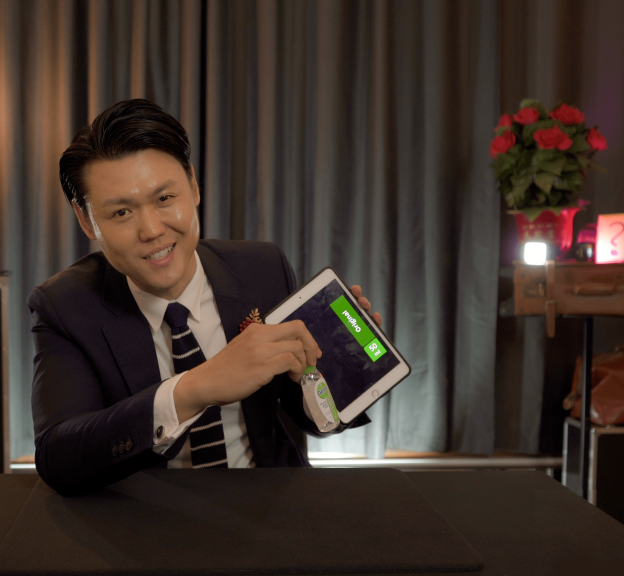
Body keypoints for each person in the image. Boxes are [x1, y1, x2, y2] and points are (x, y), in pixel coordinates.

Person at [29, 99, 381, 495]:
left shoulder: (263, 267)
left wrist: (341, 370)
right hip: (145, 519)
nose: (152, 230)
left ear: (193, 186)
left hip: (272, 503)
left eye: (164, 199)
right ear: (85, 219)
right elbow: (59, 456)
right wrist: (195, 388)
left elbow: (317, 420)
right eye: (122, 213)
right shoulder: (64, 304)